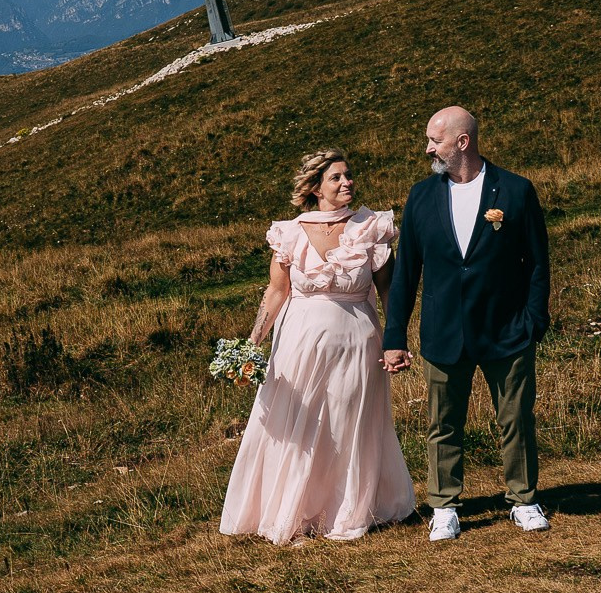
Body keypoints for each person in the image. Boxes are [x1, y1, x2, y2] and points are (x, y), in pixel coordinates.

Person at [219, 148, 418, 544]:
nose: (347, 183)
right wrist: (251, 344)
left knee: (348, 424)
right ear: (315, 188)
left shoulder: (369, 227)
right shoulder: (290, 232)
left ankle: (347, 510)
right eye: (336, 178)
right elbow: (276, 292)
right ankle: (294, 512)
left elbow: (390, 293)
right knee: (299, 422)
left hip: (357, 344)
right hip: (298, 346)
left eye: (349, 175)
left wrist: (396, 341)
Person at [381, 107, 552, 541]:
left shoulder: (515, 190)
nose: (427, 149)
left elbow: (537, 263)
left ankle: (524, 500)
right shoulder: (421, 196)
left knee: (516, 419)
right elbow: (406, 274)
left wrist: (534, 321)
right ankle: (444, 507)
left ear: (462, 142)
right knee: (443, 424)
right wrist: (394, 336)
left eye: (434, 140)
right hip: (443, 332)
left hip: (507, 330)